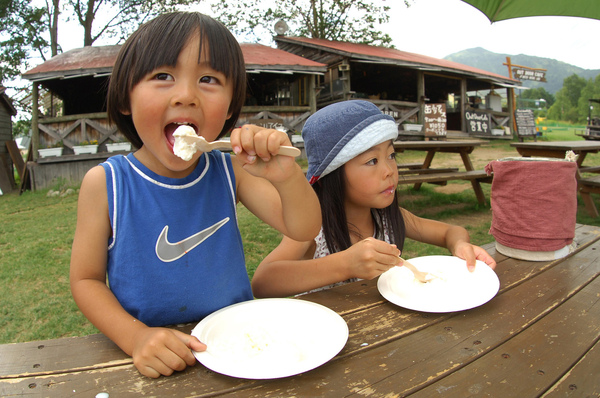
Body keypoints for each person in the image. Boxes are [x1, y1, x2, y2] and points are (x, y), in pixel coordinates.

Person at [69, 12, 321, 378]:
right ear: (126, 98)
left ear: (232, 107)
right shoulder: (106, 184)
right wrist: (136, 338)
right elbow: (85, 280)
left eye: (208, 79)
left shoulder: (229, 169)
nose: (186, 95)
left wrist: (286, 177)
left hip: (239, 346)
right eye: (162, 76)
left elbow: (303, 227)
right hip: (156, 357)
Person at [252, 100, 496, 298]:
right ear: (333, 175)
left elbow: (450, 231)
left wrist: (459, 246)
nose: (389, 170)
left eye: (391, 155)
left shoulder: (389, 219)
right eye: (372, 161)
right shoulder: (313, 227)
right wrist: (344, 264)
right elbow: (263, 282)